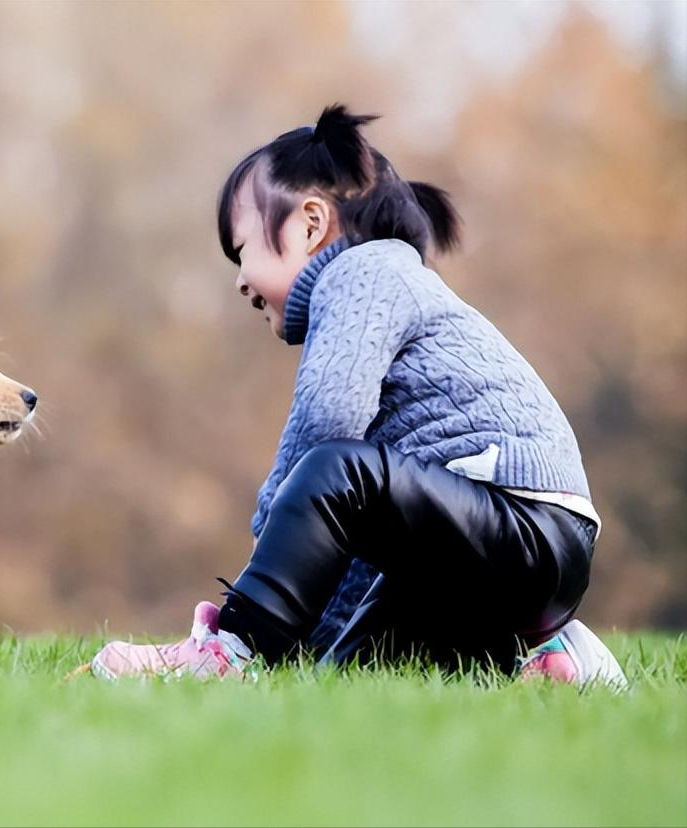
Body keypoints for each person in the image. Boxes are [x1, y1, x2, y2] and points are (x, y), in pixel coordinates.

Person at [91, 104, 626, 687]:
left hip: (522, 522)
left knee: (331, 466)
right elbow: (353, 527)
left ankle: (225, 652)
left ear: (312, 224)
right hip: (499, 555)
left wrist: (275, 523)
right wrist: (306, 641)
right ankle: (556, 658)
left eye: (241, 249)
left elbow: (328, 427)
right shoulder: (373, 296)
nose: (239, 279)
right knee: (349, 675)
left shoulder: (366, 272)